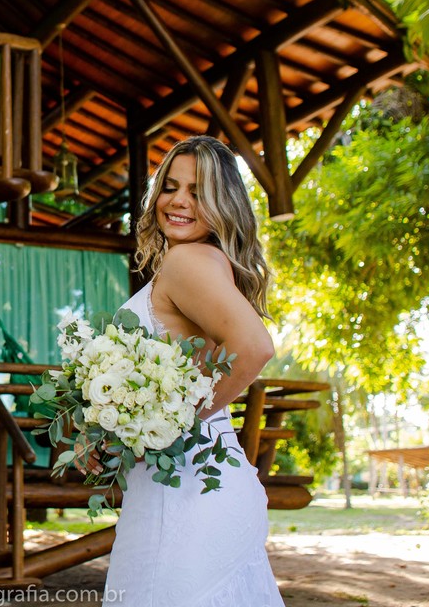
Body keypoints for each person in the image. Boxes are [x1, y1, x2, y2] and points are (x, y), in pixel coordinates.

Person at [101, 135, 284, 606]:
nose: (178, 201)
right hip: (199, 481)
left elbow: (255, 347)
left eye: (198, 192)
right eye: (170, 186)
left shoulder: (188, 261)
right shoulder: (203, 259)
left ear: (223, 203)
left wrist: (168, 429)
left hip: (185, 492)